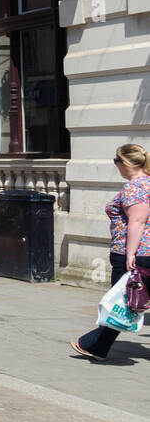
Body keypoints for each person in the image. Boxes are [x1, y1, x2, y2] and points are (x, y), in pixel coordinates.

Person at [73, 144, 150, 360]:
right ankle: (96, 346)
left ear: (124, 163)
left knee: (122, 301)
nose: (115, 166)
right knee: (126, 301)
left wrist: (130, 254)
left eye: (116, 161)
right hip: (143, 253)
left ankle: (95, 345)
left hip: (135, 254)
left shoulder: (136, 187)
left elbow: (137, 221)